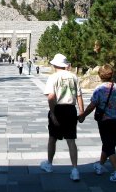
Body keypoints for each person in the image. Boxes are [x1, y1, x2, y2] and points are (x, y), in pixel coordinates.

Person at [78, 64, 116, 183]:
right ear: (112, 74)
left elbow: (92, 105)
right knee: (109, 144)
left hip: (104, 121)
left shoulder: (99, 89)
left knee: (109, 145)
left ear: (100, 75)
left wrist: (83, 115)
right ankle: (99, 166)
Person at [40, 53, 84, 182]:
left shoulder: (53, 78)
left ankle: (49, 164)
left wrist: (53, 113)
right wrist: (81, 112)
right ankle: (75, 169)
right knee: (71, 140)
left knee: (52, 138)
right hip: (71, 109)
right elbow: (79, 95)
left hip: (58, 108)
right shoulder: (74, 77)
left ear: (54, 65)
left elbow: (51, 97)